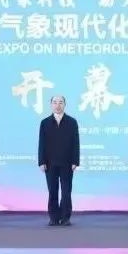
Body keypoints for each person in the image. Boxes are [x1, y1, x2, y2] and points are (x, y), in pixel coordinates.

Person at [38, 95, 80, 227]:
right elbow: (41, 143)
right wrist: (41, 161)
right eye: (55, 102)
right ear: (51, 105)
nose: (58, 105)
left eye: (60, 102)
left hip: (67, 162)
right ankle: (54, 218)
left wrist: (75, 161)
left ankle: (65, 217)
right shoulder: (45, 122)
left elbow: (76, 142)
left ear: (65, 105)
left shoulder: (72, 122)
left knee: (66, 192)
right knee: (53, 191)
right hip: (50, 163)